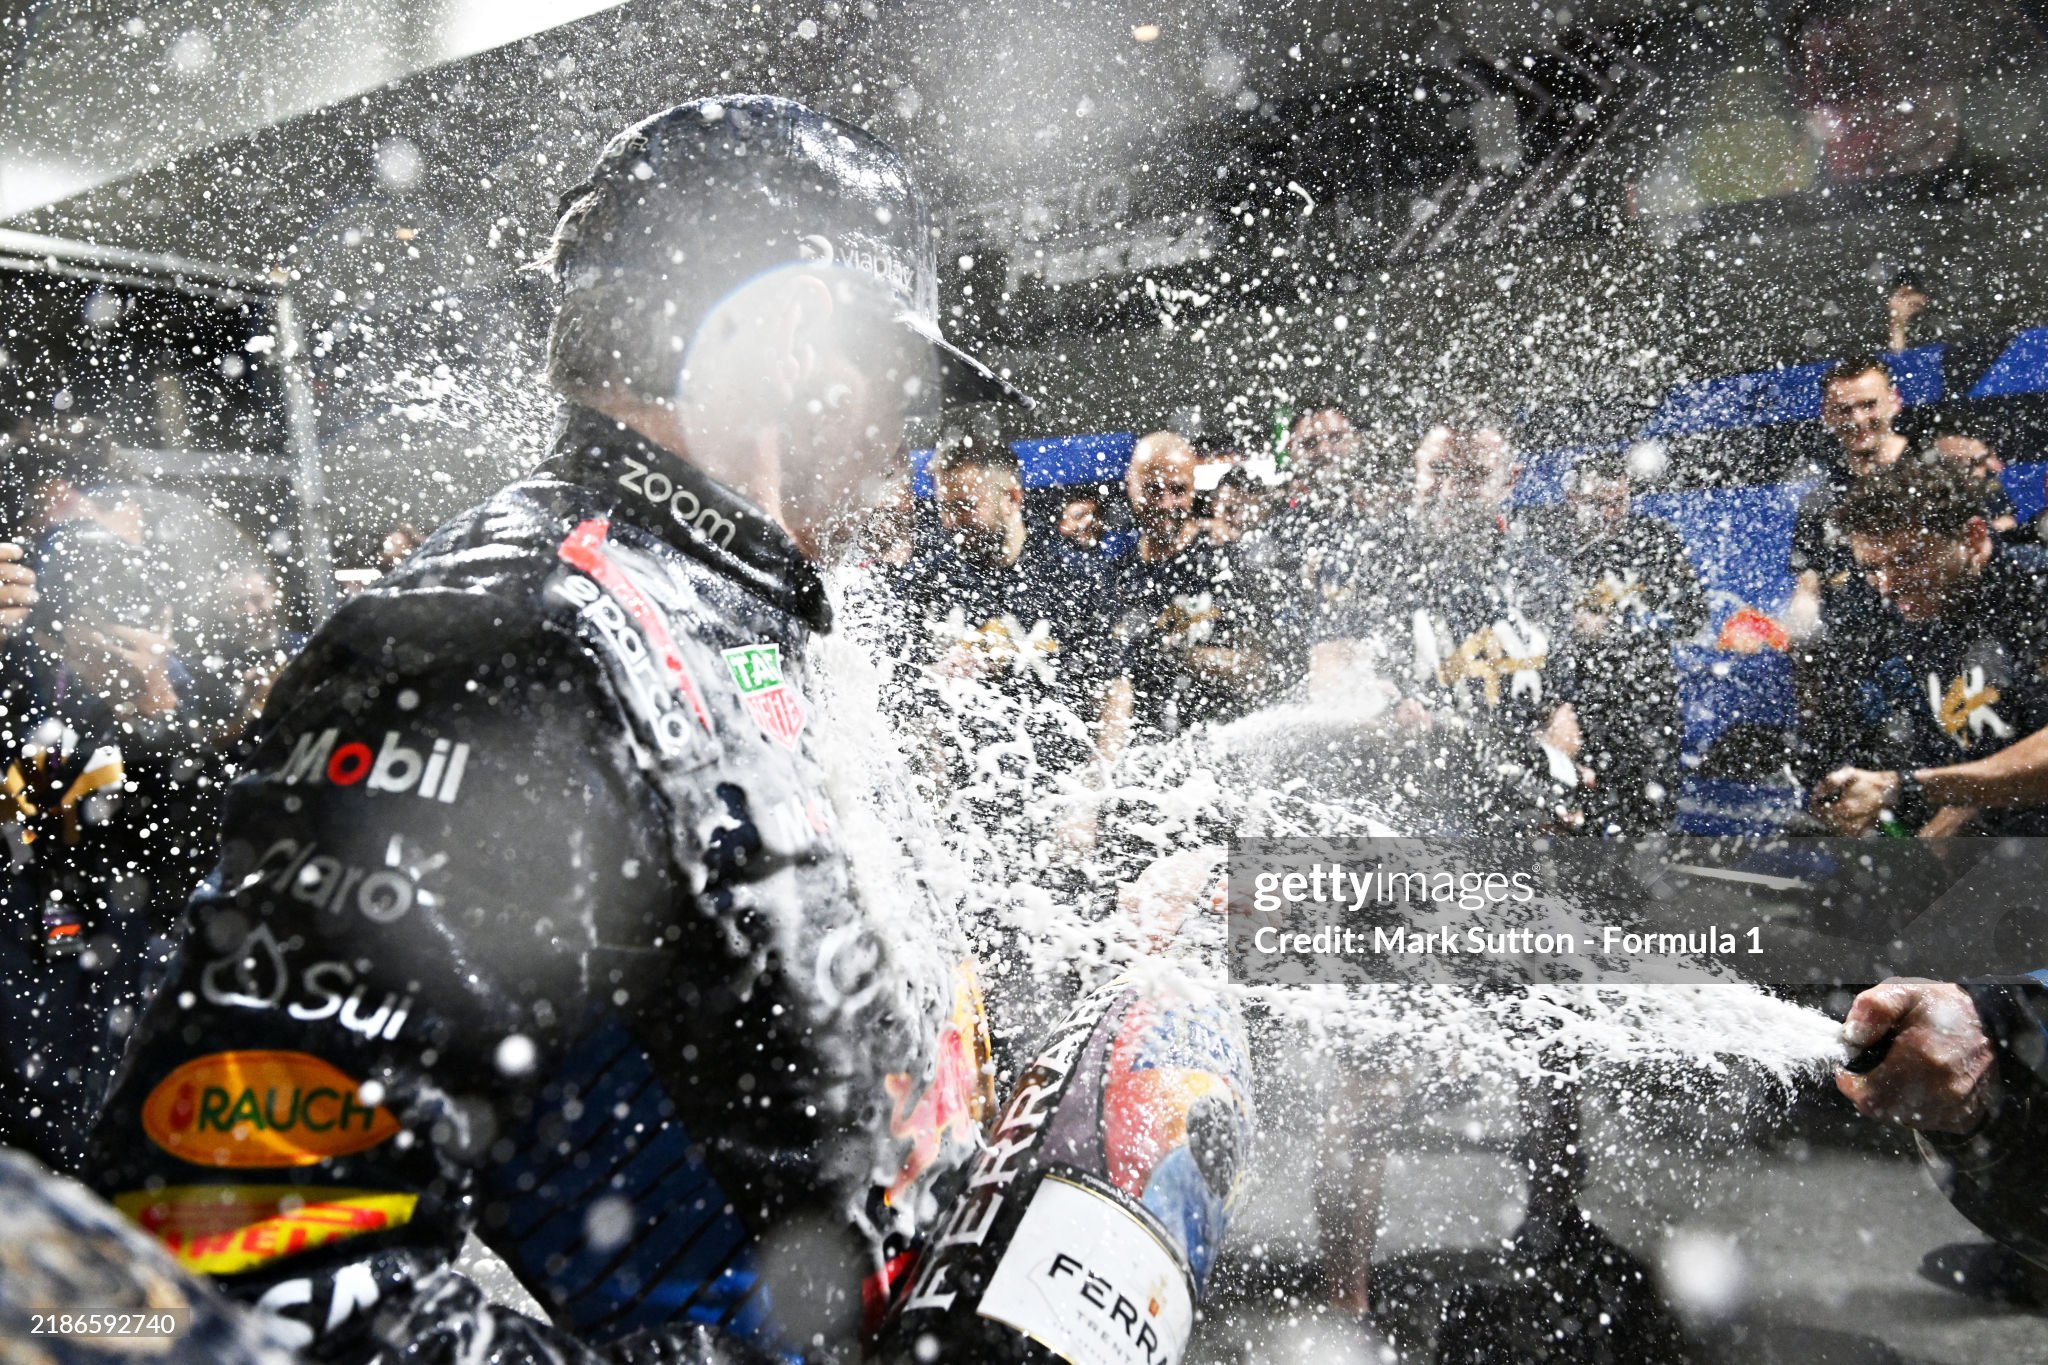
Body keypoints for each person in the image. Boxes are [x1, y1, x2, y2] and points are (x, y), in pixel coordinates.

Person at [88, 96, 1253, 1365]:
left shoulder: (752, 603)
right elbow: (215, 1250)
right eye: (904, 377)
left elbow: (814, 1044)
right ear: (800, 343)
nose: (912, 436)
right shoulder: (500, 643)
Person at [1809, 458, 2048, 837]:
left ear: (1972, 536)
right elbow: (1968, 761)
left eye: (1906, 560)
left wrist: (1905, 788)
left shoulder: (2035, 590)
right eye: (1873, 568)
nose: (1888, 584)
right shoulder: (1923, 618)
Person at [898, 426, 1114, 780]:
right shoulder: (930, 579)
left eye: (965, 507)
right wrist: (936, 676)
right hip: (969, 794)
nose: (952, 524)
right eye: (944, 509)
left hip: (1056, 785)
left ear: (1012, 498)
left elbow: (1112, 693)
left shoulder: (1072, 577)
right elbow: (902, 690)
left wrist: (1088, 802)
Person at [1532, 447, 1707, 833]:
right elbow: (1523, 620)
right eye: (1598, 502)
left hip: (1646, 703)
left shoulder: (1656, 540)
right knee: (1570, 818)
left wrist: (1625, 626)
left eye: (1619, 502)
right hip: (1574, 706)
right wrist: (1564, 623)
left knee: (1647, 820)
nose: (1610, 513)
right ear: (1571, 499)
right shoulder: (1546, 546)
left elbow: (1693, 617)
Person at [1099, 431, 1274, 751]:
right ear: (1131, 486)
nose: (1166, 503)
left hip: (1223, 749)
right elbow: (1118, 684)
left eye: (1178, 490)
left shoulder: (1226, 559)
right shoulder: (1119, 574)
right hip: (1152, 756)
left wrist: (1179, 654)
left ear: (1193, 489)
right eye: (1152, 489)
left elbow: (1257, 669)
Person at [1927, 423, 2021, 539]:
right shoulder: (1936, 491)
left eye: (1980, 460)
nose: (1979, 469)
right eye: (1959, 461)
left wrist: (1991, 527)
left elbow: (2008, 519)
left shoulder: (1989, 487)